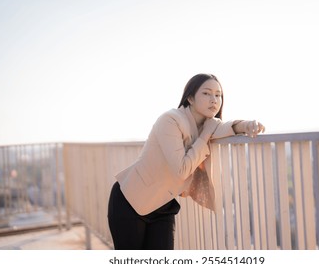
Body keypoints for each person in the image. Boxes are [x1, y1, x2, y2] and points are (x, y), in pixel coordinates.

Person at [107, 73, 265, 250]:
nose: (214, 99)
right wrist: (206, 135)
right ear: (190, 97)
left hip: (162, 205)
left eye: (218, 95)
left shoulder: (208, 124)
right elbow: (182, 170)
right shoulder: (170, 119)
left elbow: (226, 127)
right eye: (206, 93)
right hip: (130, 201)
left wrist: (246, 125)